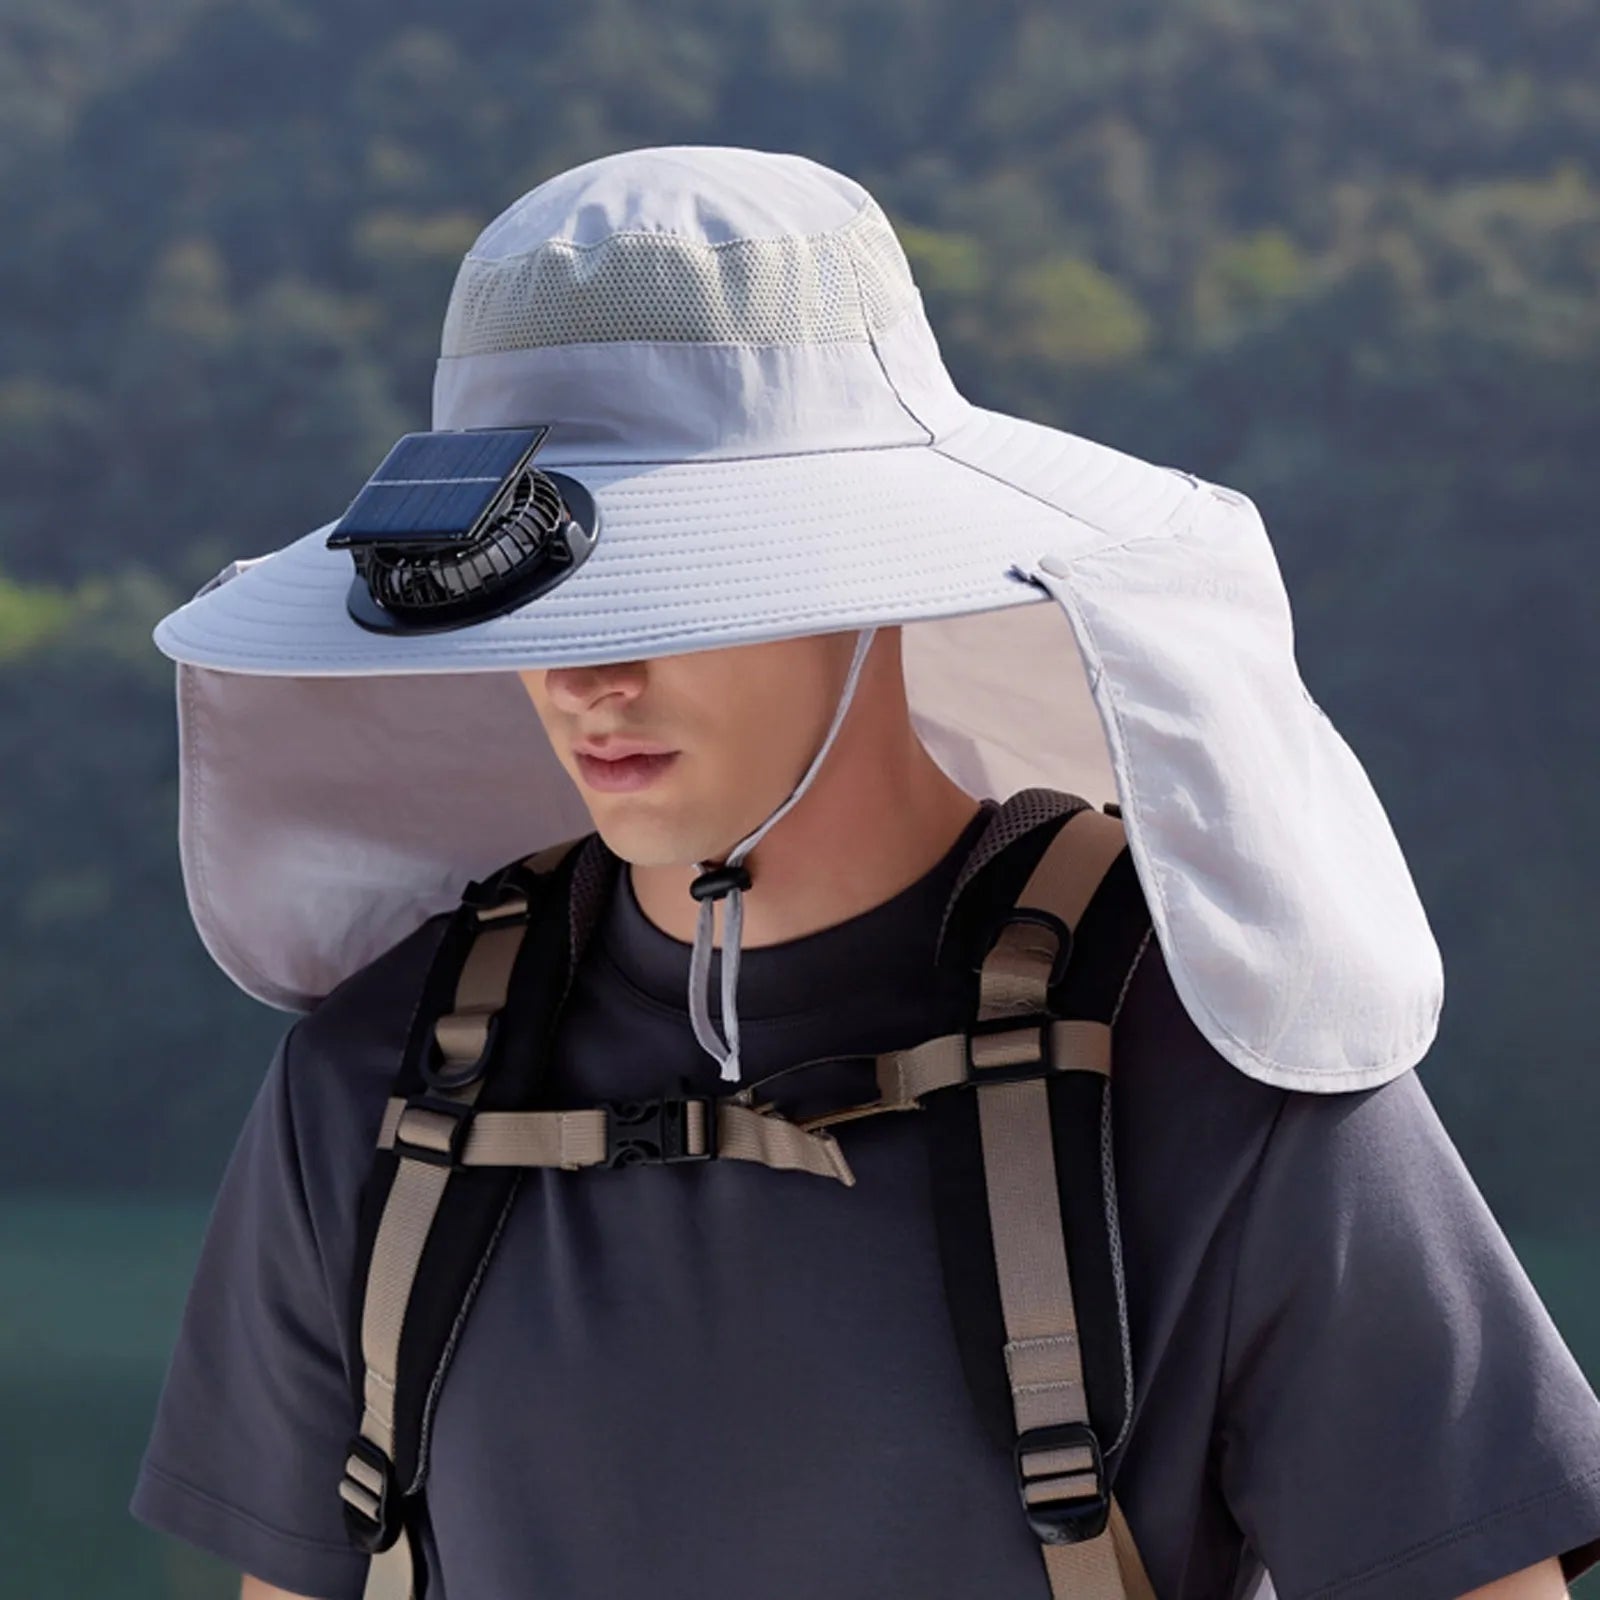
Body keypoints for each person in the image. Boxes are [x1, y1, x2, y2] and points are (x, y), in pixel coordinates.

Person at [129, 145, 1600, 1600]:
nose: (587, 680)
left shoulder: (1212, 1054)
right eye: (547, 605)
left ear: (862, 584)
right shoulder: (372, 1089)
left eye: (673, 588)